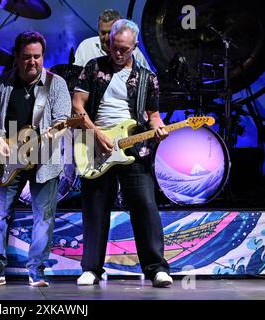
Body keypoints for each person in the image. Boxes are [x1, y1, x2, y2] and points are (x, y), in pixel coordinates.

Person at [72, 19, 173, 288]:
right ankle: (91, 268)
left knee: (145, 207)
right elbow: (77, 105)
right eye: (114, 47)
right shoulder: (94, 67)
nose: (117, 54)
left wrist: (159, 129)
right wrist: (96, 133)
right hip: (96, 145)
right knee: (94, 209)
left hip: (133, 148)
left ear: (135, 47)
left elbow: (153, 115)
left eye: (124, 49)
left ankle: (156, 268)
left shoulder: (147, 78)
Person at [0, 31, 71, 287]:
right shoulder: (2, 83)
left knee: (43, 216)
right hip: (8, 159)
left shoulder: (56, 84)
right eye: (27, 57)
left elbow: (63, 122)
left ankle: (36, 269)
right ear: (17, 58)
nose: (33, 62)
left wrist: (46, 138)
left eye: (37, 57)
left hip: (44, 159)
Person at [74, 9, 150, 70]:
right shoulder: (85, 46)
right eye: (103, 33)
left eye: (110, 33)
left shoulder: (133, 51)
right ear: (98, 31)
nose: (107, 38)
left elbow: (148, 78)